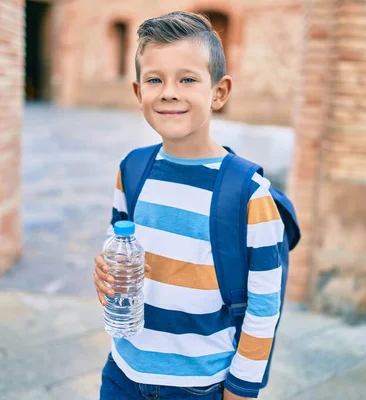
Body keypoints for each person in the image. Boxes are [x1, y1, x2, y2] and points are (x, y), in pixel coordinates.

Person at [93, 11, 284, 400]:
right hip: (123, 372)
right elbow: (120, 242)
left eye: (188, 79)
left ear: (219, 92)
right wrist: (105, 269)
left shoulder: (249, 193)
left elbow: (265, 305)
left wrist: (241, 389)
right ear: (138, 92)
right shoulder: (131, 169)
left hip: (201, 385)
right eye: (155, 79)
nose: (169, 92)